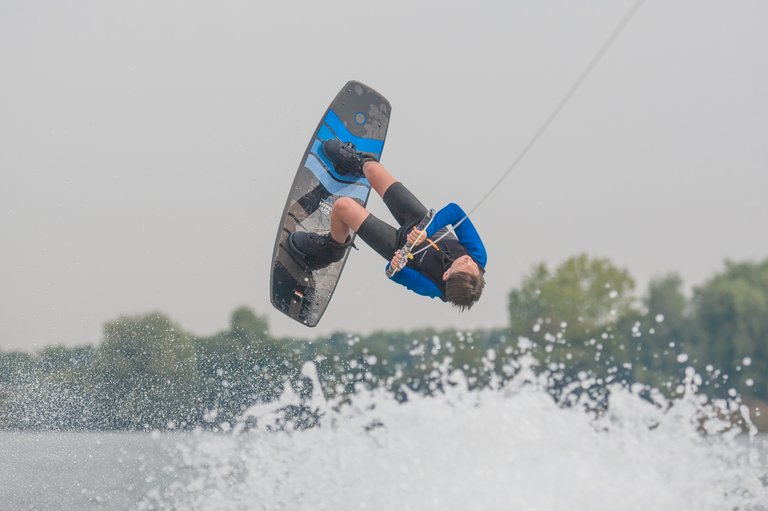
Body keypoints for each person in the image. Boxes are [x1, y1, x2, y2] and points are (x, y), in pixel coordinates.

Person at [287, 139, 487, 310]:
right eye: (472, 265)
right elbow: (455, 212)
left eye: (463, 264)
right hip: (419, 221)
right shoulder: (478, 256)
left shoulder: (433, 287)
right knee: (372, 169)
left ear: (446, 274)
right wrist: (426, 231)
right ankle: (353, 163)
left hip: (397, 245)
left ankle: (332, 248)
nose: (468, 260)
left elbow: (396, 276)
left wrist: (397, 266)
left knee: (342, 207)